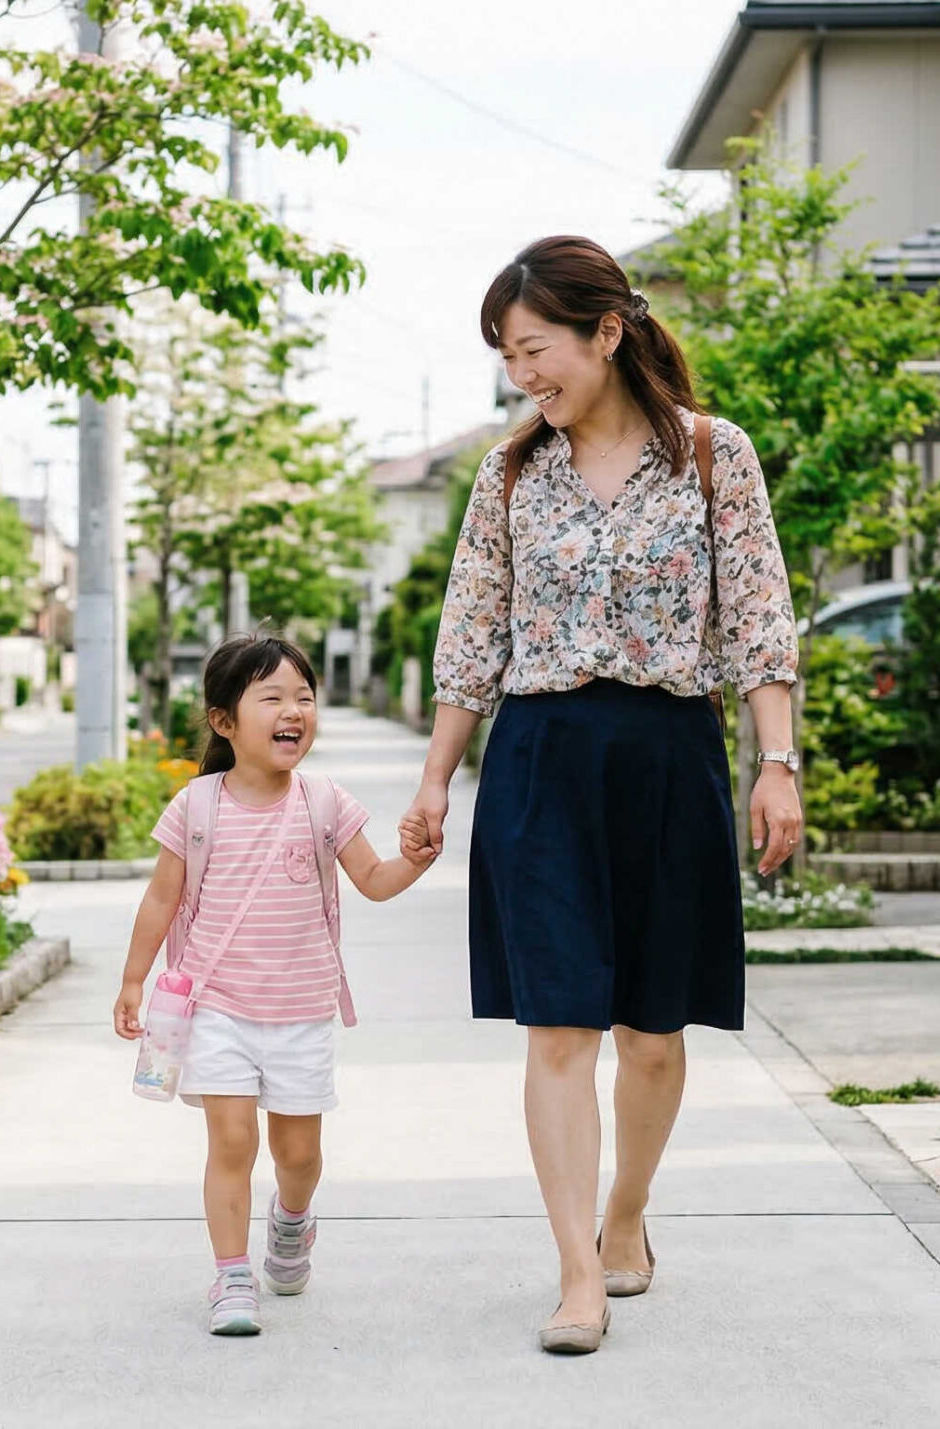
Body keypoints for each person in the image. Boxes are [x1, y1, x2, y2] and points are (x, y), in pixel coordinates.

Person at [398, 235, 804, 1355]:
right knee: (559, 1025)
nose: (522, 375)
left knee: (654, 1033)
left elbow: (760, 619)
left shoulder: (714, 456)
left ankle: (627, 1212)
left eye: (535, 349)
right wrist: (434, 779)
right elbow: (470, 634)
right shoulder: (508, 473)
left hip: (669, 753)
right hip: (541, 758)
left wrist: (776, 764)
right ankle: (578, 1272)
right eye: (507, 357)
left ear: (607, 333)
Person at [113, 634, 438, 1336]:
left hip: (301, 1012)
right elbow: (162, 898)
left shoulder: (324, 801)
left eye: (304, 698)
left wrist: (414, 860)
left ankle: (292, 1221)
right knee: (231, 1144)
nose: (294, 711)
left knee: (299, 1155)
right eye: (272, 698)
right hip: (216, 1009)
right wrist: (134, 978)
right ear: (223, 721)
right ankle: (232, 1276)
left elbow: (373, 879)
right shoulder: (197, 805)